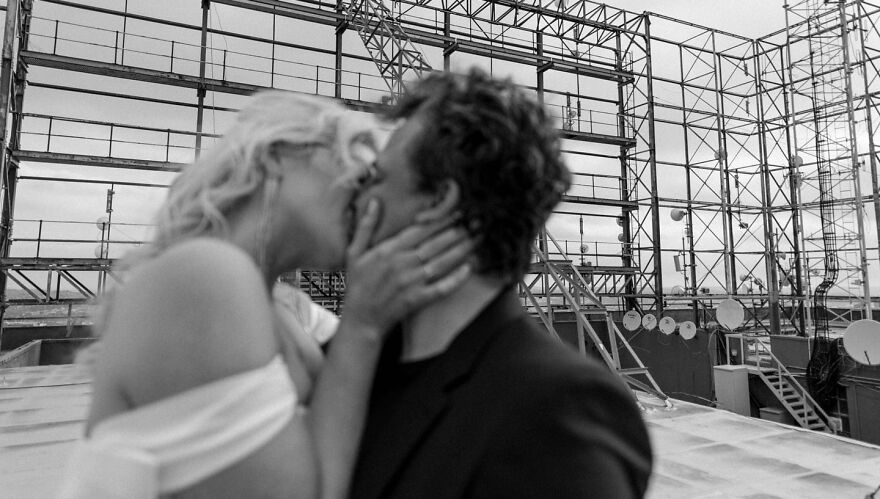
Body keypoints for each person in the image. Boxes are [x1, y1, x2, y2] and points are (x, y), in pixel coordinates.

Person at [58, 91, 472, 499]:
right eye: (360, 174)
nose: (368, 202)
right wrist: (362, 323)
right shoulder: (204, 275)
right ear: (278, 154)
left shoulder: (281, 309)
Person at [350, 69, 653, 498]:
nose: (357, 198)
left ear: (440, 203)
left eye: (376, 179)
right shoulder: (349, 364)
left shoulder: (555, 414)